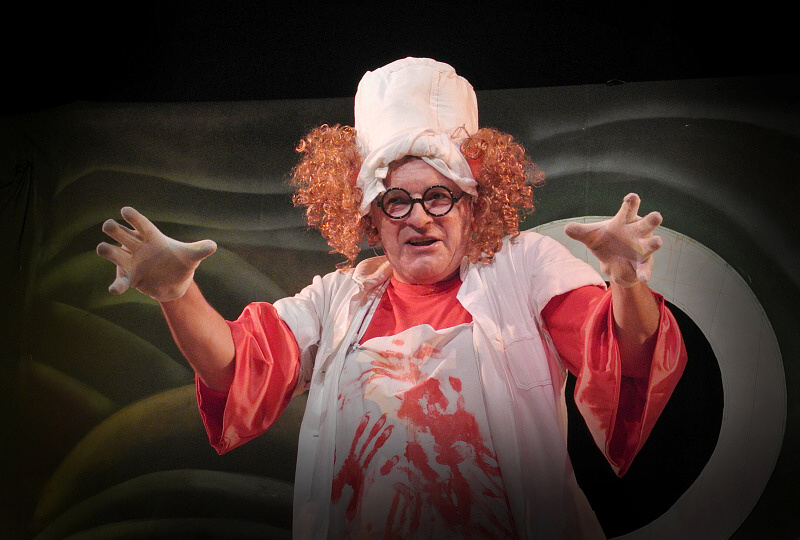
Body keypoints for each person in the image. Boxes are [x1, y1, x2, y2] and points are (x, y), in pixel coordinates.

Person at [97, 57, 687, 539]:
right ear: (370, 219)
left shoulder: (524, 268)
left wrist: (626, 281)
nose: (419, 218)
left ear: (473, 203)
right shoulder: (338, 300)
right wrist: (176, 293)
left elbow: (628, 356)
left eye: (439, 196)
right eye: (396, 201)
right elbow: (237, 367)